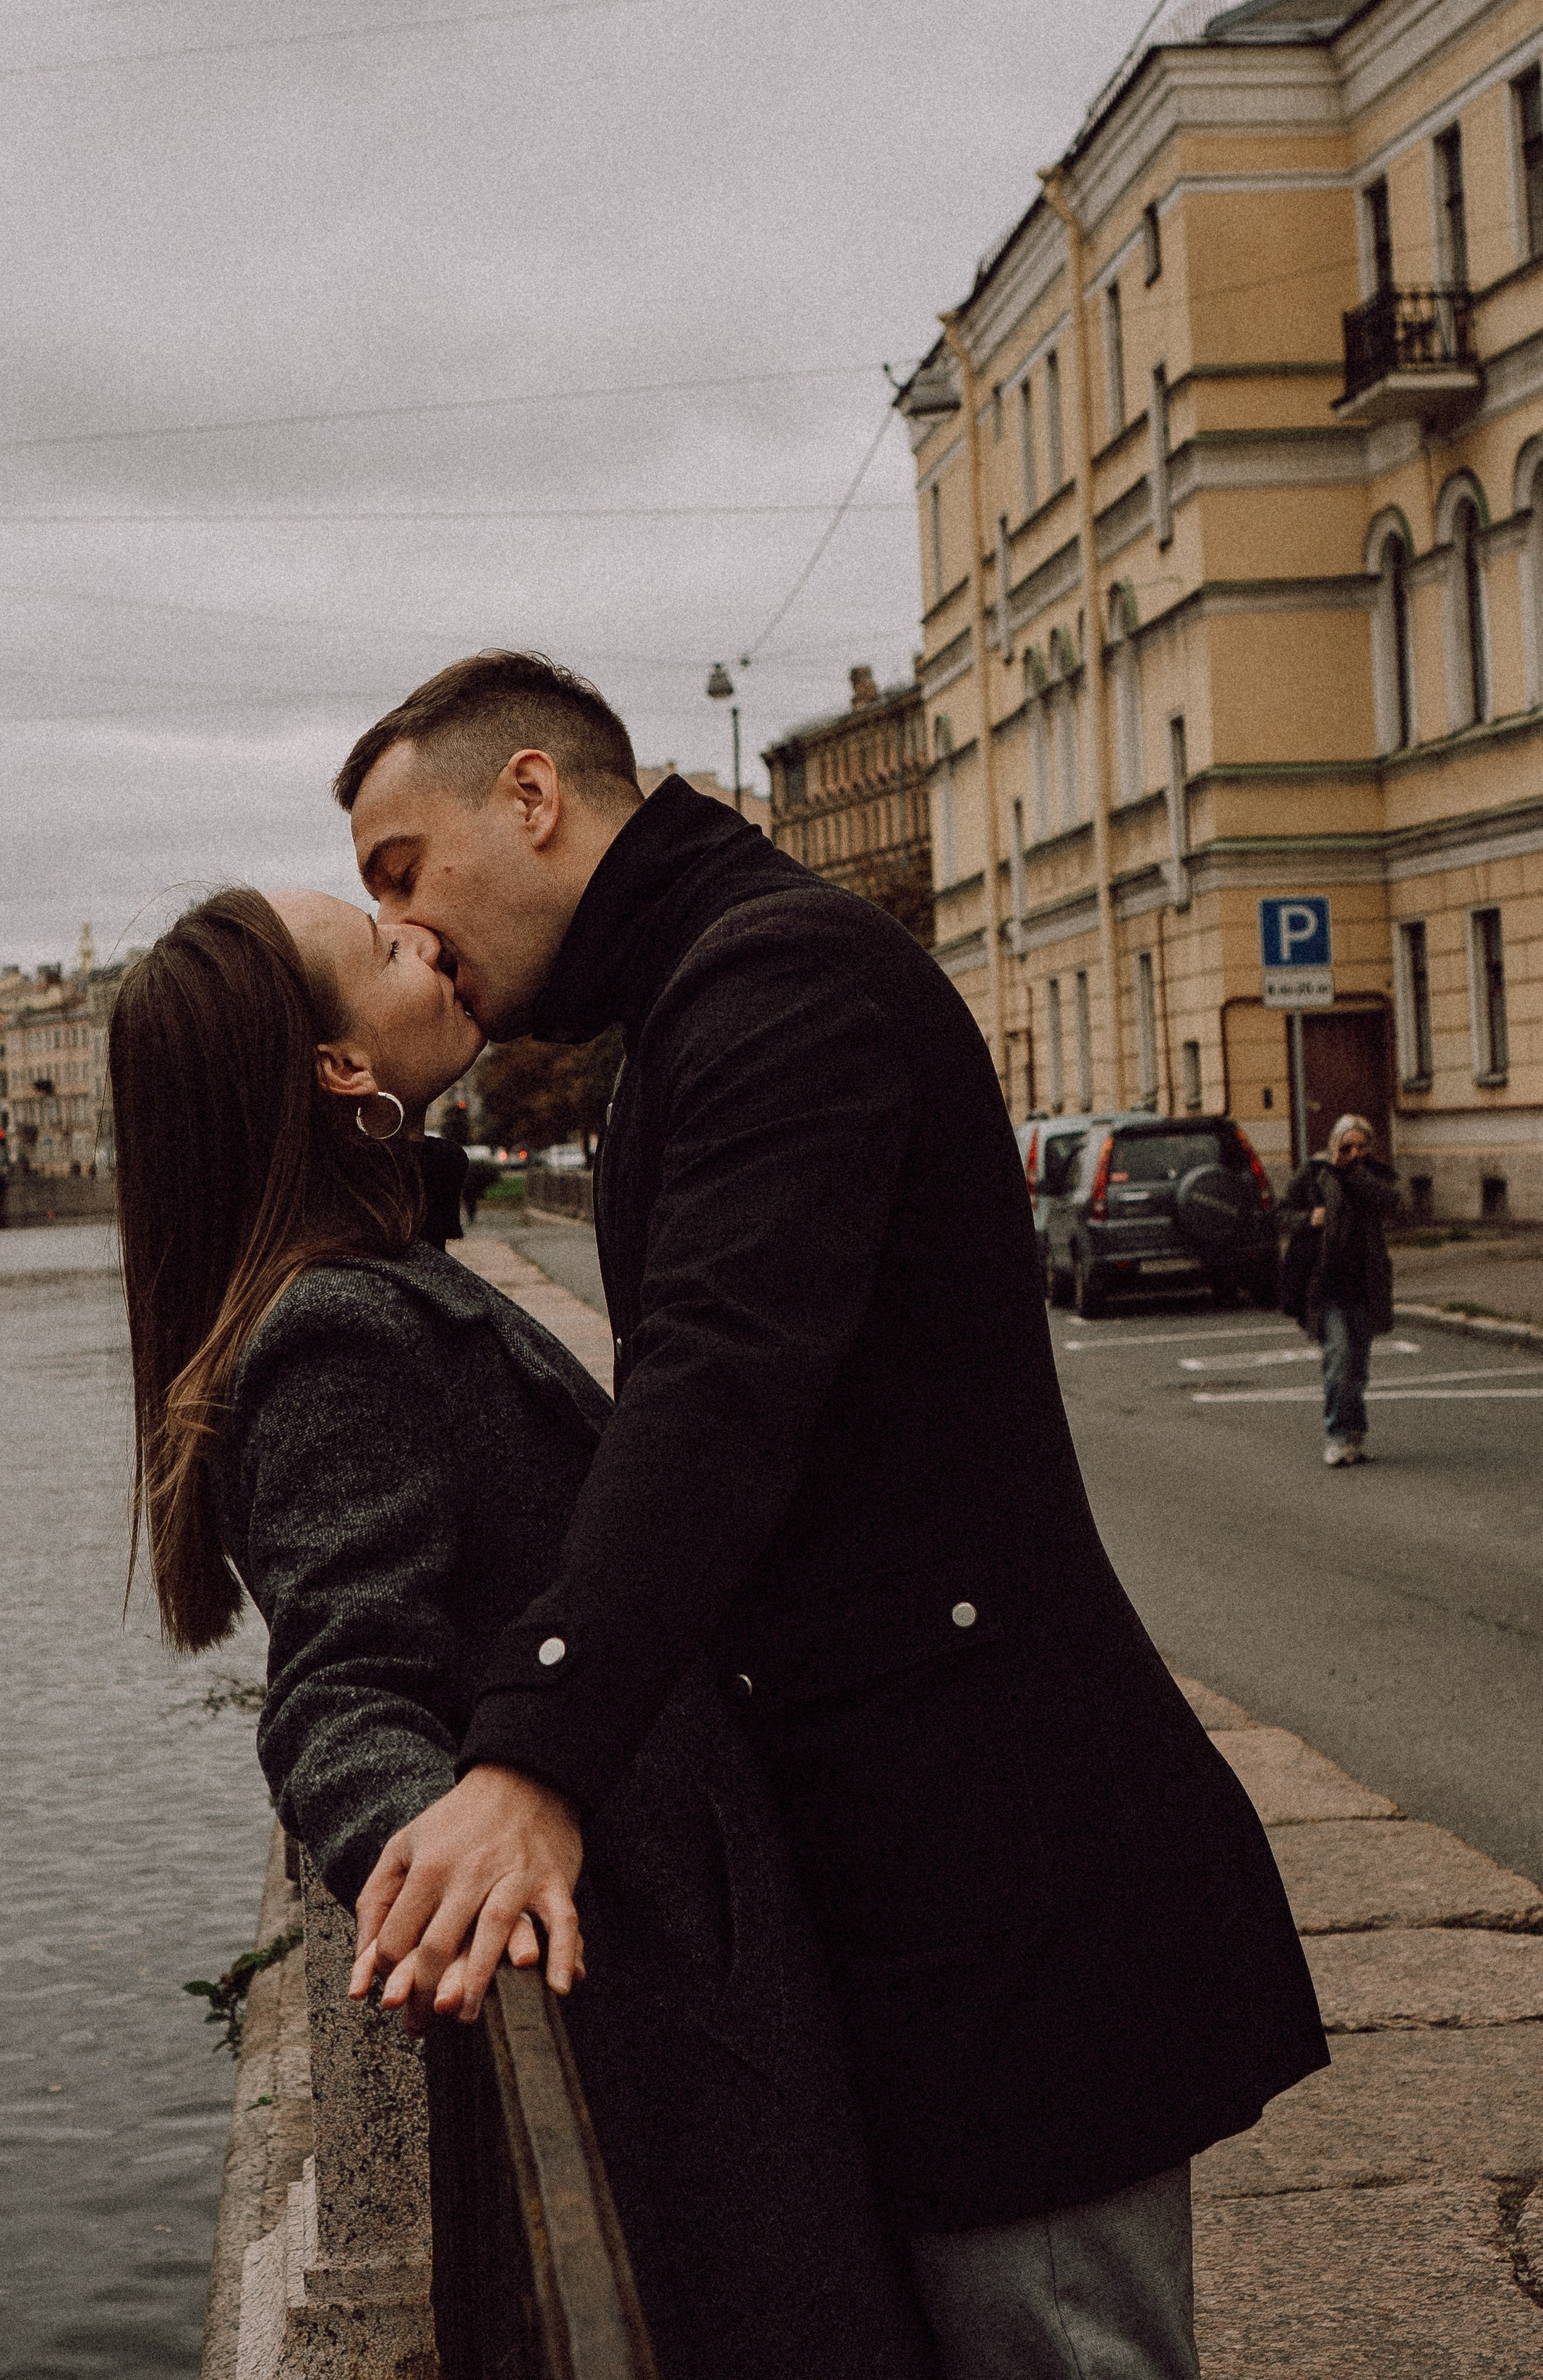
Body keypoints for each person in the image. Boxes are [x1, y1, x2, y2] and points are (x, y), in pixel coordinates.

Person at [333, 650, 1330, 2380]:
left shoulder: (775, 978)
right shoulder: (706, 983)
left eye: (400, 874)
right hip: (929, 1867)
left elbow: (718, 1386)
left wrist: (529, 1757)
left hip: (1003, 1870)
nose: (408, 938)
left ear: (530, 796)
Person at [106, 883, 931, 2380]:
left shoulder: (382, 1277)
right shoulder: (332, 1332)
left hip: (683, 1952)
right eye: (383, 946)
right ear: (336, 1070)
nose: (423, 937)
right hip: (659, 1996)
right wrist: (431, 1842)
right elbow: (338, 1685)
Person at [1285, 1113, 1398, 1468]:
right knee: (1338, 1360)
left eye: (1361, 1147)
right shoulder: (1315, 1174)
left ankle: (1355, 1435)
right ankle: (1335, 1435)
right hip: (1327, 1286)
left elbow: (1389, 1201)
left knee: (1359, 1368)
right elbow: (1280, 1214)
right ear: (1333, 1144)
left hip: (1365, 1286)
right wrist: (1307, 1219)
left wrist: (1352, 1171)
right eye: (1347, 1146)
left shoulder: (1371, 1176)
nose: (1354, 1152)